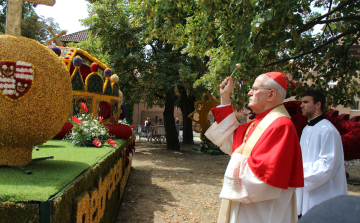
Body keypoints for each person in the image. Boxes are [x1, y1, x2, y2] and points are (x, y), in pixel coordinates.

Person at [205, 72, 304, 223]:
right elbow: (230, 140)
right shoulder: (258, 123)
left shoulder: (281, 125)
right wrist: (225, 97)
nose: (249, 93)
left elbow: (264, 178)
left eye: (255, 89)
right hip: (249, 209)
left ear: (271, 95)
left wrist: (236, 158)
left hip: (263, 211)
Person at [296, 89, 348, 217]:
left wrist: (297, 171)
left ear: (318, 104)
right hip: (306, 190)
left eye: (306, 102)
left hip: (323, 193)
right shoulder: (307, 129)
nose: (301, 105)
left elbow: (327, 166)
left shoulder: (328, 130)